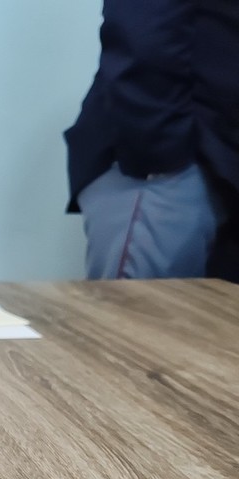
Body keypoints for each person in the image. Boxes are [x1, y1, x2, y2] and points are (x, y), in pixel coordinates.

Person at [64, 0, 239, 281]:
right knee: (137, 308)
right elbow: (142, 33)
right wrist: (162, 158)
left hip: (219, 164)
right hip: (169, 168)